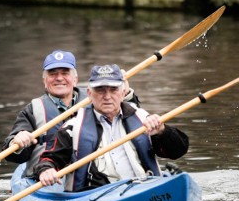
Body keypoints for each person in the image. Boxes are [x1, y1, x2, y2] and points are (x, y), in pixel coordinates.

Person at [34, 64, 189, 192]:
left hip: (145, 189)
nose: (107, 96)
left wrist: (162, 132)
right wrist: (46, 170)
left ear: (123, 92)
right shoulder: (72, 128)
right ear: (89, 93)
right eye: (100, 90)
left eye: (113, 89)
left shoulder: (143, 118)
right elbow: (49, 159)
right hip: (97, 196)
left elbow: (178, 151)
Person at [3, 50, 139, 178]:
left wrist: (125, 93)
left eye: (65, 73)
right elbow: (15, 156)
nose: (59, 78)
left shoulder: (97, 97)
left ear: (75, 79)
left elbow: (130, 121)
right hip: (46, 177)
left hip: (91, 176)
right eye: (53, 74)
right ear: (44, 81)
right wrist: (17, 142)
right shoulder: (32, 110)